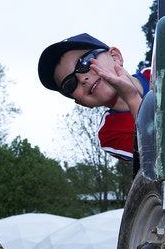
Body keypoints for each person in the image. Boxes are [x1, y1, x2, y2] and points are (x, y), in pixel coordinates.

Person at [37, 33, 150, 162]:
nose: (81, 78)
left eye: (84, 63)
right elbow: (162, 156)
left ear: (115, 56)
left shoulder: (163, 69)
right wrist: (132, 99)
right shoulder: (111, 134)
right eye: (70, 84)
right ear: (82, 103)